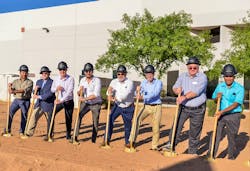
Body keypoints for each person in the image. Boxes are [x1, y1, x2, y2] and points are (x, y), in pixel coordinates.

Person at [163, 56, 207, 155]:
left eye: (194, 68)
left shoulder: (202, 77)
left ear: (198, 67)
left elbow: (197, 91)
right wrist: (176, 90)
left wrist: (184, 97)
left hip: (198, 110)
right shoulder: (182, 76)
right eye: (190, 67)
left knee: (194, 131)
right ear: (187, 67)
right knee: (176, 126)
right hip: (183, 108)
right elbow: (175, 86)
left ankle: (192, 152)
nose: (192, 70)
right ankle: (171, 145)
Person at [207, 64, 244, 160]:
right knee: (215, 135)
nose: (228, 78)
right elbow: (214, 98)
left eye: (230, 76)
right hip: (221, 115)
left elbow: (236, 104)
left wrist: (222, 112)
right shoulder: (220, 86)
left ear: (234, 76)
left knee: (231, 137)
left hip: (234, 115)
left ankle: (230, 158)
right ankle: (211, 155)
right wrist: (216, 97)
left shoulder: (239, 88)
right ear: (224, 76)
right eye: (226, 76)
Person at [129, 65, 163, 150]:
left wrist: (143, 97)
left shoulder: (158, 82)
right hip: (146, 106)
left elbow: (155, 93)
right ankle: (131, 141)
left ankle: (154, 146)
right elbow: (137, 94)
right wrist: (137, 91)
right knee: (136, 120)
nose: (149, 75)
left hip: (156, 107)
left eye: (150, 73)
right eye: (147, 74)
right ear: (145, 74)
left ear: (153, 73)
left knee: (156, 127)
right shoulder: (143, 82)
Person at [102, 65, 135, 147]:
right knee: (110, 119)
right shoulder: (114, 81)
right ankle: (106, 139)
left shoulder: (130, 83)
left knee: (127, 126)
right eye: (119, 74)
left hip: (128, 107)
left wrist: (114, 98)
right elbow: (109, 91)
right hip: (117, 106)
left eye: (122, 74)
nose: (120, 75)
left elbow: (124, 96)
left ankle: (127, 142)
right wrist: (109, 94)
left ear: (125, 74)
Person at [70, 63, 102, 144]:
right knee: (78, 116)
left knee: (95, 121)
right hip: (86, 103)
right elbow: (78, 93)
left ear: (92, 71)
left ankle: (93, 140)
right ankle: (75, 137)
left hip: (96, 103)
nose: (88, 72)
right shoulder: (82, 80)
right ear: (84, 72)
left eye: (90, 71)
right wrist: (79, 91)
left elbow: (96, 95)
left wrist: (84, 98)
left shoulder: (97, 80)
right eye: (86, 71)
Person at [46, 61, 75, 141]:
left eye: (64, 69)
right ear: (59, 70)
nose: (62, 71)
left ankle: (68, 135)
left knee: (68, 118)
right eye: (61, 69)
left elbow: (69, 92)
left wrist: (61, 100)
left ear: (66, 69)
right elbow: (52, 89)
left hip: (68, 101)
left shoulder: (71, 79)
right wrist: (56, 88)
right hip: (59, 101)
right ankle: (49, 134)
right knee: (51, 114)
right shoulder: (56, 79)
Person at [24, 66, 55, 138]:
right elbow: (34, 92)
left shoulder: (52, 82)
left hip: (48, 104)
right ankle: (29, 133)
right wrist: (34, 90)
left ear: (49, 74)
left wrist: (39, 97)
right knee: (33, 117)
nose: (44, 74)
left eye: (46, 73)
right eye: (43, 73)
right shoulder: (39, 81)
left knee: (50, 120)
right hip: (39, 104)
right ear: (41, 74)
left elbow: (50, 94)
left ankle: (50, 134)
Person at [3, 65, 33, 136]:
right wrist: (10, 87)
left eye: (25, 72)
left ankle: (22, 132)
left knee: (24, 116)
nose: (24, 74)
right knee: (10, 113)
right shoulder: (15, 81)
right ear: (20, 72)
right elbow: (11, 90)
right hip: (16, 100)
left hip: (25, 101)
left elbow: (23, 90)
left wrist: (14, 91)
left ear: (27, 73)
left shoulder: (30, 82)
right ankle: (7, 130)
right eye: (23, 72)